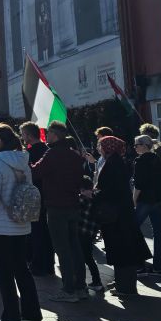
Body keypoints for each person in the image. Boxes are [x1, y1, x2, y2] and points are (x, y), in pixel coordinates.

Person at [0, 123, 42, 321]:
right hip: (21, 224)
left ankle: (11, 320)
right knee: (22, 269)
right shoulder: (23, 160)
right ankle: (32, 314)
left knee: (5, 273)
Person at [30, 121, 87, 301]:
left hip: (56, 205)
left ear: (55, 135)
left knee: (62, 248)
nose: (46, 136)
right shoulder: (75, 156)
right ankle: (81, 286)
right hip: (73, 204)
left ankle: (68, 289)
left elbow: (35, 172)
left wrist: (25, 161)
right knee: (75, 246)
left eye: (48, 133)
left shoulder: (52, 154)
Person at [93, 136, 150, 296]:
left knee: (121, 251)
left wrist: (93, 195)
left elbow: (110, 190)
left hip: (116, 215)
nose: (99, 149)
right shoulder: (117, 161)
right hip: (121, 213)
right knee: (124, 250)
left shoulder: (113, 163)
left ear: (108, 147)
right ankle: (124, 285)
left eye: (100, 145)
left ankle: (125, 287)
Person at [132, 134, 161, 278]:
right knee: (160, 233)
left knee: (131, 228)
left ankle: (138, 263)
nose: (134, 148)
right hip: (158, 200)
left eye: (136, 145)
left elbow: (138, 184)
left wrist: (133, 200)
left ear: (144, 146)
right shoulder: (156, 158)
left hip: (145, 200)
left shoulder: (140, 160)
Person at [20, 121, 55, 277]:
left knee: (37, 232)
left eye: (23, 134)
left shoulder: (30, 153)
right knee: (45, 232)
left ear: (28, 135)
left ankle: (39, 264)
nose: (22, 137)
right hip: (47, 195)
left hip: (34, 196)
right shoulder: (47, 150)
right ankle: (48, 264)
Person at [78, 177, 103, 291]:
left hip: (81, 232)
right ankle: (96, 281)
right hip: (91, 234)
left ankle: (84, 281)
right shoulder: (96, 199)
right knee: (89, 258)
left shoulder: (82, 200)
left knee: (82, 258)